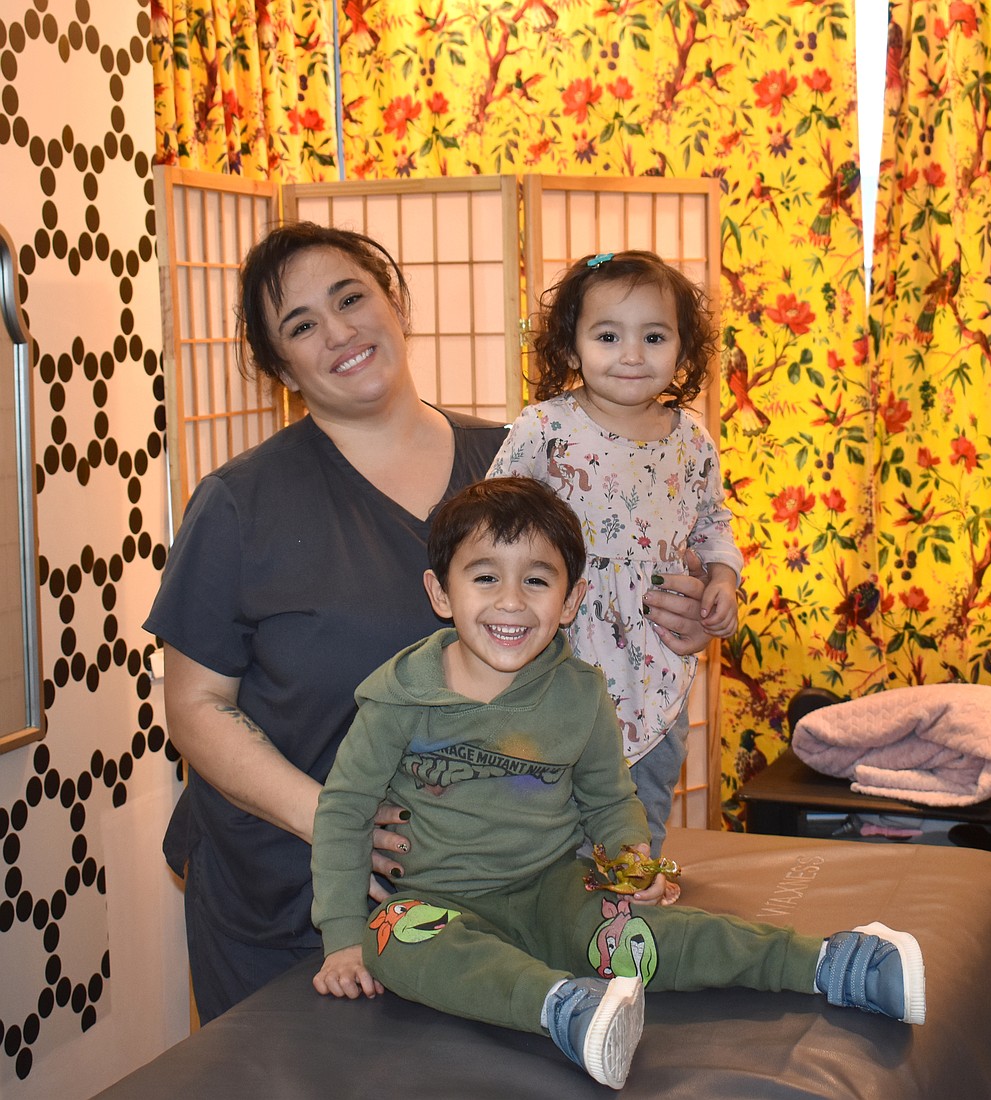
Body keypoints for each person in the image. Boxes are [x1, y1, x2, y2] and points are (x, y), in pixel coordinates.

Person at [144, 222, 721, 1023]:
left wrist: (681, 617)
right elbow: (195, 707)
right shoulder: (243, 503)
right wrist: (331, 820)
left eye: (352, 298)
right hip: (285, 896)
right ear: (278, 367)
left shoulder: (530, 456)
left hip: (489, 898)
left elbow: (623, 586)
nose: (340, 331)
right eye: (302, 325)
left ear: (395, 303)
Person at [311, 477, 926, 1091]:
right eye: (484, 577)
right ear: (441, 592)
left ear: (572, 600)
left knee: (655, 937)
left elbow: (610, 801)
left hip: (556, 892)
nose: (511, 602)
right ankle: (568, 1011)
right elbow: (343, 813)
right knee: (392, 944)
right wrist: (340, 938)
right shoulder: (397, 697)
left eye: (536, 580)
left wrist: (633, 871)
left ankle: (832, 963)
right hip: (437, 905)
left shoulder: (580, 694)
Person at [489, 250, 742, 857]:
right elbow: (491, 519)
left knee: (648, 781)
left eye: (654, 336)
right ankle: (548, 897)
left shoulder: (691, 440)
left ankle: (632, 889)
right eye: (608, 335)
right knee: (546, 785)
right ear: (572, 349)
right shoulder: (543, 428)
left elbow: (713, 523)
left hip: (655, 647)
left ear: (682, 352)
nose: (632, 354)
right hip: (560, 648)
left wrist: (724, 582)